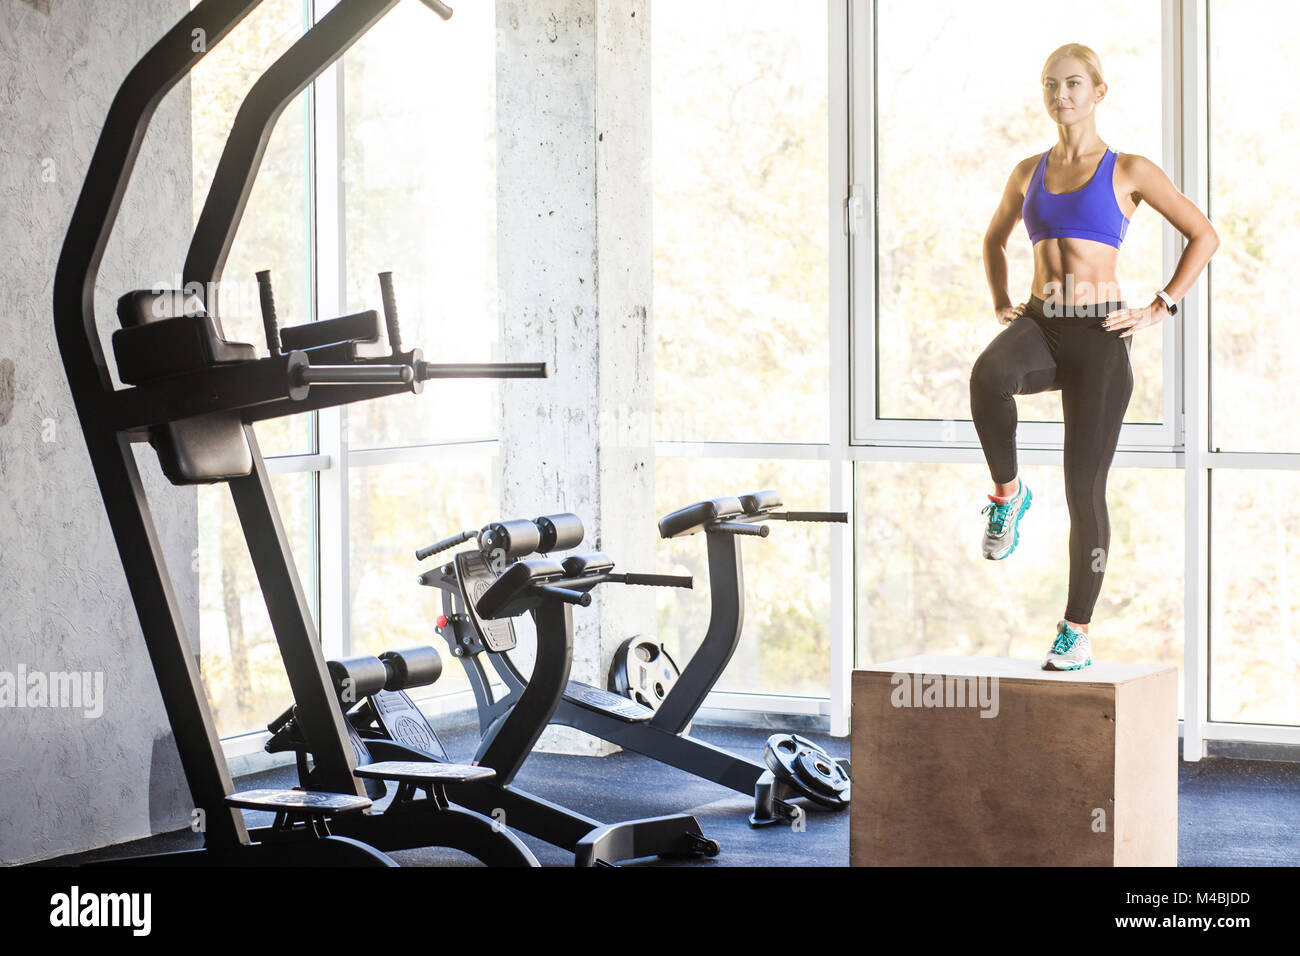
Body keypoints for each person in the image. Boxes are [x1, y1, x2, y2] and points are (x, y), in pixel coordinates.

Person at [971, 42, 1218, 670]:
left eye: (1075, 84)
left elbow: (1204, 234)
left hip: (1100, 338)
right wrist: (1003, 299)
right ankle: (1007, 495)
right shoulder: (1027, 171)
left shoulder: (1129, 169)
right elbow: (994, 239)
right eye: (1052, 84)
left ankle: (1075, 629)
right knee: (989, 375)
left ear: (1098, 91)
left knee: (1085, 491)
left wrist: (1160, 305)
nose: (1062, 96)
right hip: (1040, 324)